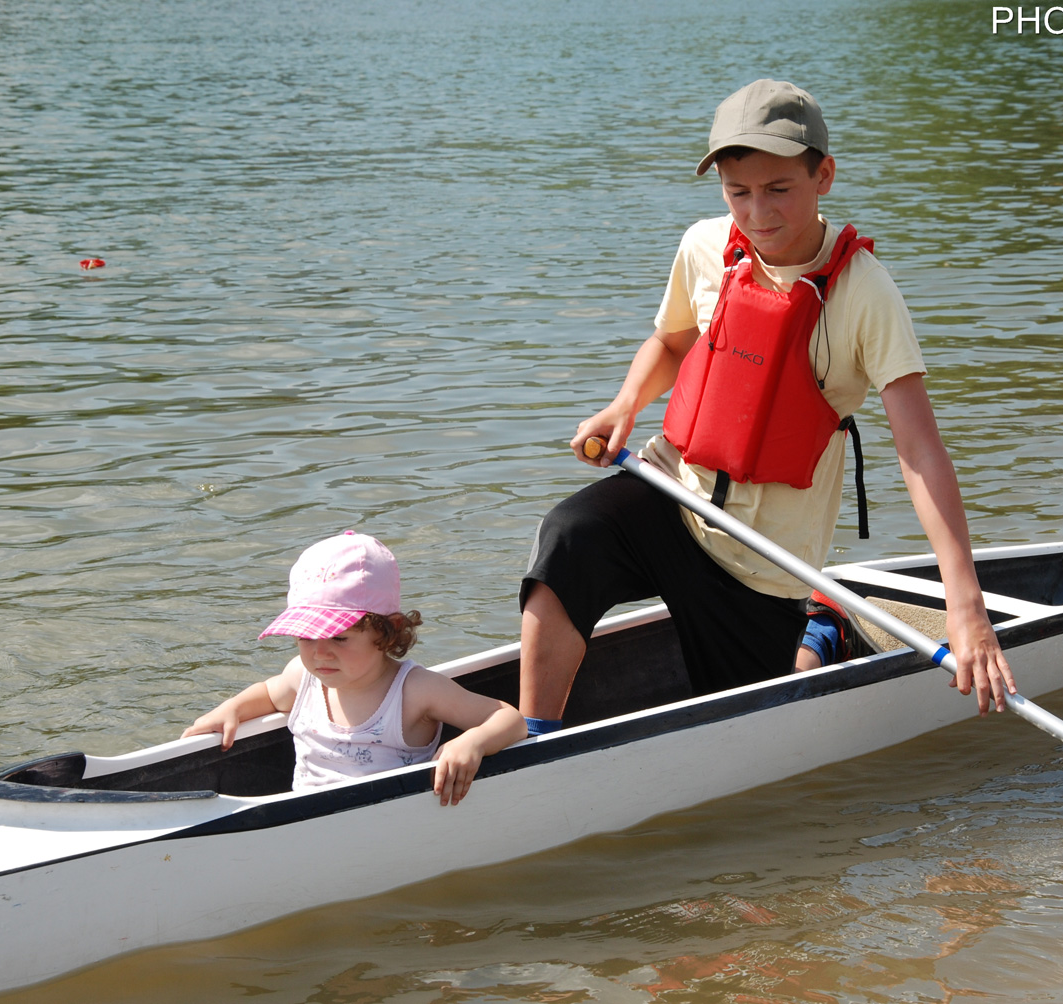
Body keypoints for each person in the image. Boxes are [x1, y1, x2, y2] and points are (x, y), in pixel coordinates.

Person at [519, 79, 1015, 736]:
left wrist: (966, 608)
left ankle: (821, 628)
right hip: (673, 497)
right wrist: (624, 405)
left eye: (778, 189)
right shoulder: (704, 247)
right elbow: (671, 341)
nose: (756, 213)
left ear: (824, 176)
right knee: (567, 540)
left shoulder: (865, 294)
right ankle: (535, 743)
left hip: (765, 563)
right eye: (737, 192)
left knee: (748, 726)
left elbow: (920, 451)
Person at [184, 531, 526, 805]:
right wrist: (231, 709)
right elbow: (268, 695)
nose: (320, 653)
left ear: (387, 631)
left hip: (386, 821)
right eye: (305, 638)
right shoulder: (302, 677)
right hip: (303, 818)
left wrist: (473, 742)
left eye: (339, 638)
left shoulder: (414, 690)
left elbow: (510, 720)